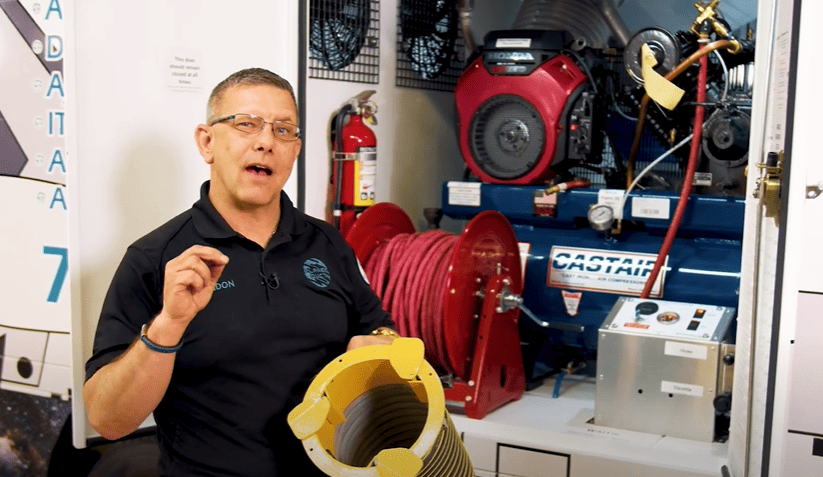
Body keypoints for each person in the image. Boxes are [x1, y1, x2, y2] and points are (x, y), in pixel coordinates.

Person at [83, 68, 397, 477]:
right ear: (207, 142)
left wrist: (380, 347)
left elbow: (380, 331)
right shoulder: (155, 258)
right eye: (246, 124)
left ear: (296, 148)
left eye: (283, 130)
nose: (266, 142)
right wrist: (169, 325)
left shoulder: (328, 244)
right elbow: (108, 419)